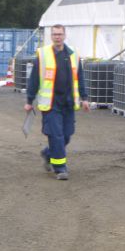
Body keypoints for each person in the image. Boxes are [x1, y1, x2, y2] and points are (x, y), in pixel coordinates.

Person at [24, 24, 90, 180]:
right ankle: (60, 168)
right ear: (51, 36)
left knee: (67, 135)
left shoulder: (73, 55)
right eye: (54, 34)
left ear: (65, 35)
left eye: (60, 34)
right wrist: (29, 100)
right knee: (57, 135)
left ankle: (48, 154)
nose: (57, 37)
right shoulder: (43, 54)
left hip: (68, 102)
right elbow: (34, 79)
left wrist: (85, 98)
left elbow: (80, 78)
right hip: (51, 103)